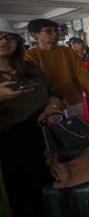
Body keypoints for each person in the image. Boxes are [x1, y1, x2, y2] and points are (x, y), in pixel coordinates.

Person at [0, 17, 61, 217]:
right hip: (10, 144)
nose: (4, 42)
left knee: (49, 186)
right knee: (22, 195)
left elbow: (54, 91)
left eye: (9, 37)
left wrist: (52, 106)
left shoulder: (29, 69)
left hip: (43, 135)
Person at [25, 19, 89, 117]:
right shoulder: (30, 56)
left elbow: (81, 71)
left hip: (76, 99)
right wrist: (54, 99)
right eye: (48, 31)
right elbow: (36, 82)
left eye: (56, 31)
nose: (55, 34)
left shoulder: (67, 51)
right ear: (34, 34)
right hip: (51, 106)